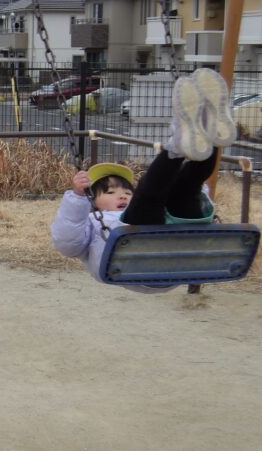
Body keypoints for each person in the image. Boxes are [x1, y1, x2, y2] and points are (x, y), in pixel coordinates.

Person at [51, 68, 237, 293]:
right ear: (93, 204)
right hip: (134, 263)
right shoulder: (92, 223)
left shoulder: (139, 210)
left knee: (187, 188)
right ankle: (177, 147)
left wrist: (201, 196)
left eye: (126, 192)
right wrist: (77, 199)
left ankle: (210, 132)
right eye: (110, 192)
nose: (121, 195)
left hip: (176, 253)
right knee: (150, 198)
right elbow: (66, 244)